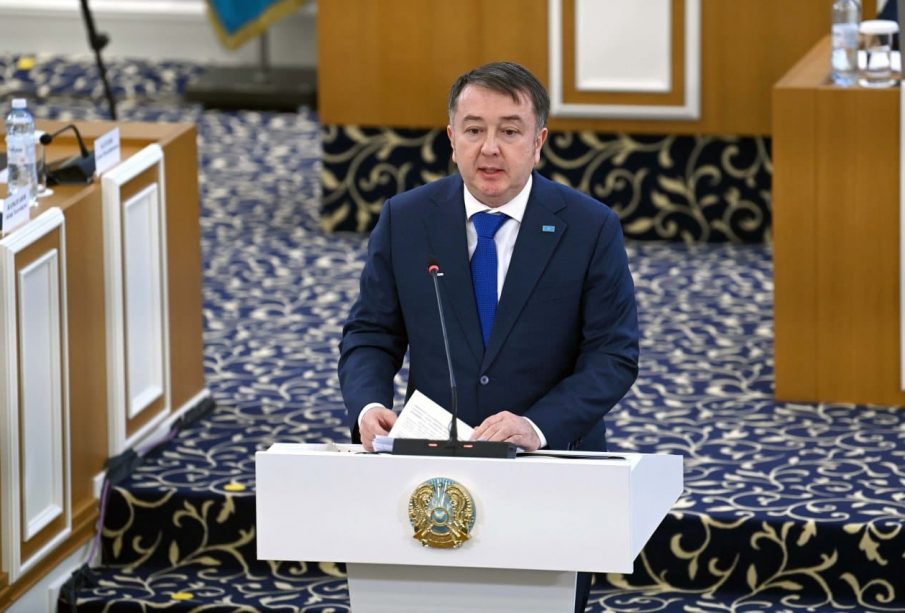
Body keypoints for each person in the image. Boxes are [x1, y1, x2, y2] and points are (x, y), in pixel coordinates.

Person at [338, 61, 639, 612]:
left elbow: (613, 355)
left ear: (538, 142)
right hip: (430, 473)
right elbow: (371, 333)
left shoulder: (590, 227)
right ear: (451, 138)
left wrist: (536, 425)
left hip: (550, 469)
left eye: (510, 130)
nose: (490, 148)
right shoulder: (406, 219)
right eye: (474, 129)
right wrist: (369, 404)